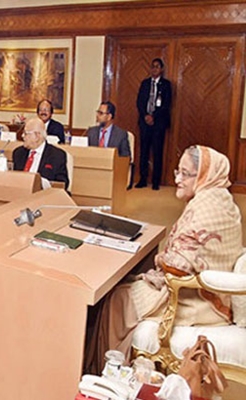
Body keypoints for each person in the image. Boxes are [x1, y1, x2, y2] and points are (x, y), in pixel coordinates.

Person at [84, 146, 242, 374]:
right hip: (205, 290)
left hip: (200, 300)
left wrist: (159, 260)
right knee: (124, 286)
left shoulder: (208, 206)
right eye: (178, 171)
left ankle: (111, 373)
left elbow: (179, 264)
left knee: (117, 298)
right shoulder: (219, 198)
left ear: (204, 175)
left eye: (185, 174)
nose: (177, 179)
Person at [136, 58, 172, 190]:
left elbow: (166, 104)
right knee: (144, 151)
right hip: (144, 122)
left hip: (158, 123)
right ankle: (143, 179)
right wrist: (145, 115)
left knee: (157, 152)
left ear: (161, 69)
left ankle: (156, 181)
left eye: (157, 67)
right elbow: (139, 102)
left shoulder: (166, 85)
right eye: (152, 66)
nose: (154, 69)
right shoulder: (145, 83)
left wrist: (153, 116)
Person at [12, 117, 69, 189]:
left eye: (26, 133)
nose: (22, 136)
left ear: (37, 136)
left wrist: (41, 182)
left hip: (44, 194)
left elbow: (62, 183)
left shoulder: (57, 155)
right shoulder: (18, 153)